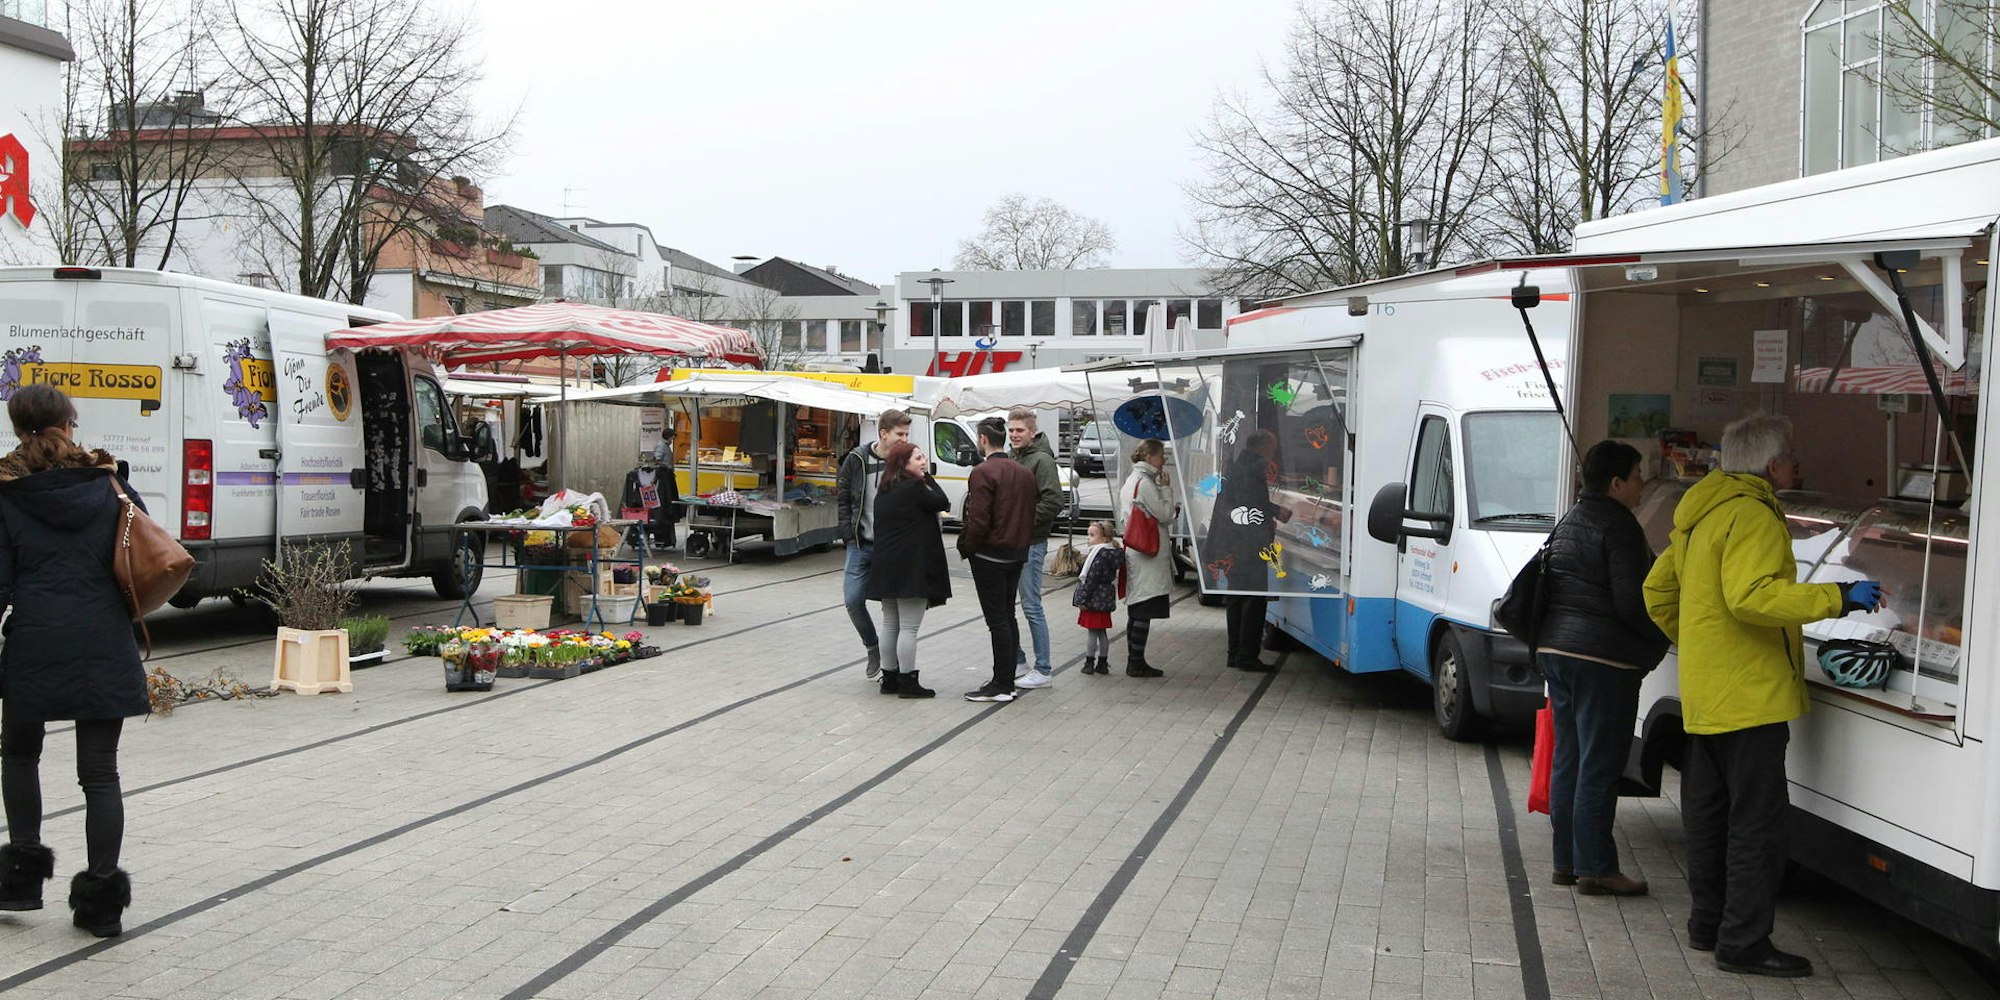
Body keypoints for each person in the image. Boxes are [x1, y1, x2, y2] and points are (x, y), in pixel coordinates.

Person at [1644, 414, 1883, 979]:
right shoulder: (1752, 514)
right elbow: (1754, 597)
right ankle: (1744, 943)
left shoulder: (1700, 514)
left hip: (1705, 694)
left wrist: (1701, 644)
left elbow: (1658, 592)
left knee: (1707, 817)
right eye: (1792, 455)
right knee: (1756, 825)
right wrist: (1839, 597)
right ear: (1771, 464)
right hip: (1751, 700)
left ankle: (1707, 925)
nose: (1797, 463)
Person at [0, 386, 149, 937]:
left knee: (18, 754)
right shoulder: (109, 483)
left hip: (34, 642)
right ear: (69, 423)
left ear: (18, 428)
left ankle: (20, 878)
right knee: (99, 774)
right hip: (103, 641)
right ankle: (101, 906)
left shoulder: (7, 493)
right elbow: (143, 548)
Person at [1536, 441, 1671, 898]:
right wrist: (1661, 638)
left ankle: (1566, 861)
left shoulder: (1570, 519)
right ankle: (1596, 866)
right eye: (1636, 476)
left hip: (1558, 651)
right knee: (1600, 762)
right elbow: (1631, 602)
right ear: (1616, 483)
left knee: (1569, 758)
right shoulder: (1621, 527)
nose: (1641, 485)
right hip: (1603, 660)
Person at [958, 417, 1038, 702]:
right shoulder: (1023, 472)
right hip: (1016, 553)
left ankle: (1002, 683)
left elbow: (978, 519)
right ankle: (1007, 678)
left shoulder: (983, 472)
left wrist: (966, 546)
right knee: (1007, 616)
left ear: (982, 440)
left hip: (990, 554)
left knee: (998, 621)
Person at [865, 440, 950, 700]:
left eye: (923, 458)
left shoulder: (885, 490)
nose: (923, 462)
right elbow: (942, 502)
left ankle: (889, 678)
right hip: (911, 567)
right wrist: (928, 479)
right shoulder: (914, 487)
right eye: (917, 459)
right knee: (909, 627)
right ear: (903, 464)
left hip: (885, 565)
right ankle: (908, 682)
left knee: (890, 623)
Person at [837, 409, 911, 682]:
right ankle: (873, 647)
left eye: (906, 434)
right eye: (899, 434)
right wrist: (847, 534)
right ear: (883, 433)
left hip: (890, 548)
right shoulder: (857, 458)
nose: (904, 439)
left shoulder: (904, 462)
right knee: (853, 600)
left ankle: (892, 667)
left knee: (891, 609)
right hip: (860, 544)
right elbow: (844, 497)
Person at [1205, 429, 1285, 673]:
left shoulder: (1239, 466)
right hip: (1247, 547)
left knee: (1236, 600)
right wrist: (1274, 513)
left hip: (1231, 544)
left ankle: (1234, 653)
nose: (1274, 453)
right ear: (1262, 447)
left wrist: (1273, 510)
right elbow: (1251, 507)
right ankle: (1247, 656)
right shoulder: (1252, 470)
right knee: (1253, 601)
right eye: (1272, 448)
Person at [1007, 408, 1063, 690]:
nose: (1014, 435)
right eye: (1011, 430)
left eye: (1019, 430)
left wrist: (1023, 522)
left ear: (1032, 431)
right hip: (1013, 543)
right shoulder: (1014, 458)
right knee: (1007, 606)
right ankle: (1019, 662)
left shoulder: (1041, 460)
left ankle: (1043, 669)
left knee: (1031, 606)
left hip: (1031, 543)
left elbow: (1054, 501)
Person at [1120, 439, 1180, 678]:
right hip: (1148, 553)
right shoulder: (1145, 483)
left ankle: (1135, 660)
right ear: (1150, 457)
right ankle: (1136, 663)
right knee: (1144, 607)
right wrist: (1167, 490)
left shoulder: (1132, 480)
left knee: (1137, 608)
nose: (1164, 459)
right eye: (1161, 455)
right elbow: (1164, 514)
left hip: (1137, 551)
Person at [1071, 520, 1122, 675]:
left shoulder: (1097, 556)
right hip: (1105, 598)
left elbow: (1090, 580)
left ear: (1104, 538)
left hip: (1094, 599)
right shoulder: (1111, 553)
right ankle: (1103, 662)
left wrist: (1081, 599)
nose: (1088, 538)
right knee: (1102, 632)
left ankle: (1089, 662)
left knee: (1093, 632)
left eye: (1092, 535)